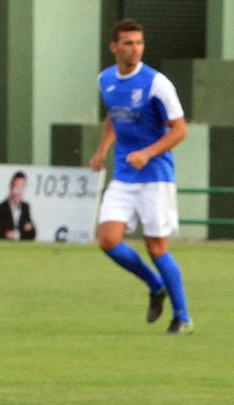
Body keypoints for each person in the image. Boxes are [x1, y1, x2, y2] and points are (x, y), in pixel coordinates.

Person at [89, 18, 192, 335]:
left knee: (156, 248)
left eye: (139, 43)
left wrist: (148, 152)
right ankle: (154, 284)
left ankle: (183, 317)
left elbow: (180, 130)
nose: (135, 49)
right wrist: (102, 149)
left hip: (155, 176)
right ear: (114, 47)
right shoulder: (105, 79)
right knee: (107, 240)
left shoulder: (156, 83)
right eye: (128, 43)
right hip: (123, 175)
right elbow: (114, 116)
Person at [0, 172, 36, 241]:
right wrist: (6, 235)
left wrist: (18, 234)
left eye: (22, 188)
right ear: (11, 187)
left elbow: (32, 234)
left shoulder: (25, 207)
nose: (18, 192)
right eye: (16, 187)